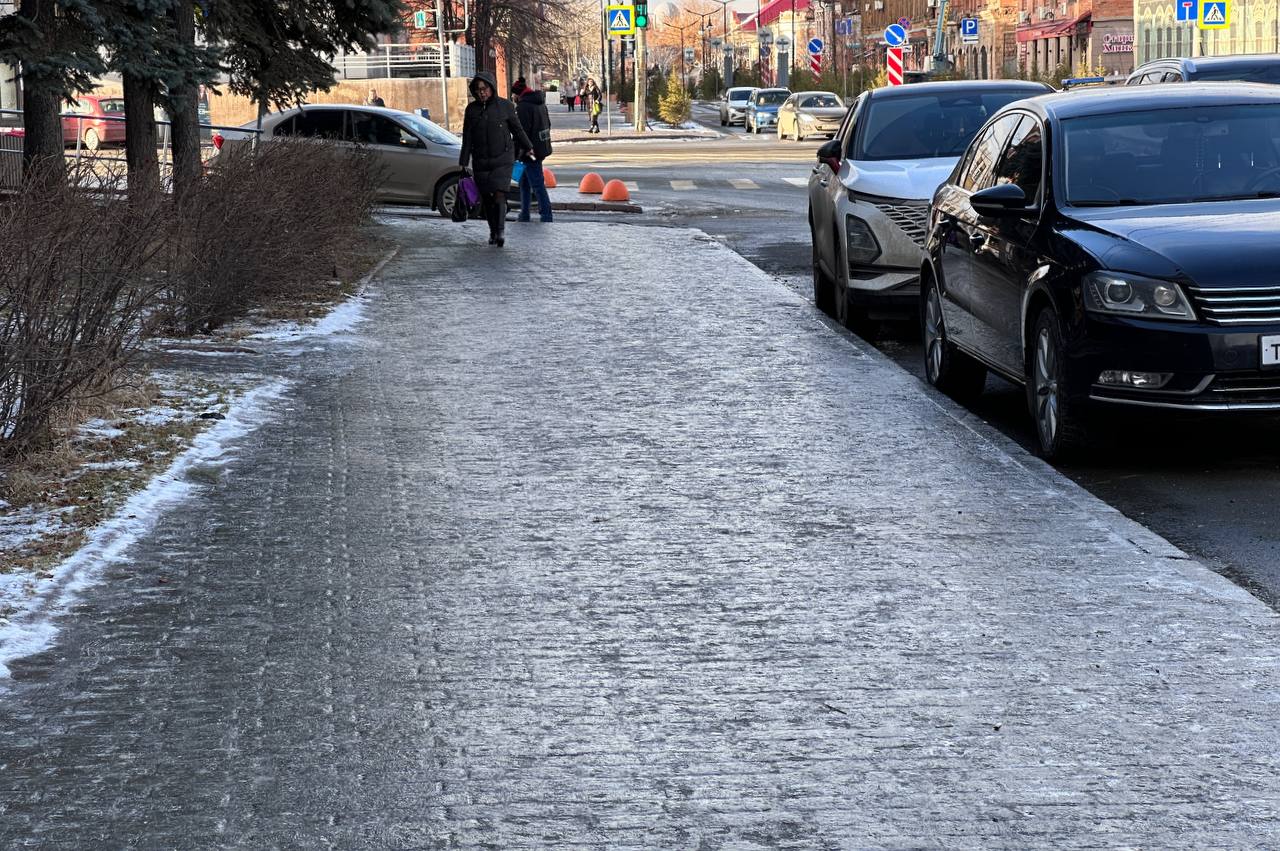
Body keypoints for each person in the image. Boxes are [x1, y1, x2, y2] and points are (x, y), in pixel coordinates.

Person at [459, 70, 533, 247]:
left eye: (484, 88)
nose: (481, 92)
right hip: (481, 160)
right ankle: (492, 230)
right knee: (487, 198)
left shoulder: (505, 106)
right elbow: (467, 137)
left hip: (502, 158)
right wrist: (463, 162)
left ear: (491, 88)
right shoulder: (472, 110)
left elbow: (517, 129)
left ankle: (500, 231)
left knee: (499, 194)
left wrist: (528, 147)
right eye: (477, 90)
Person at [512, 78, 554, 223]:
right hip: (539, 148)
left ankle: (546, 215)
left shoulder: (523, 107)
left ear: (518, 94)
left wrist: (518, 151)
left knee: (537, 184)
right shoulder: (540, 103)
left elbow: (521, 132)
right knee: (524, 182)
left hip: (529, 152)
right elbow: (548, 124)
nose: (513, 98)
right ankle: (524, 214)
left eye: (513, 95)